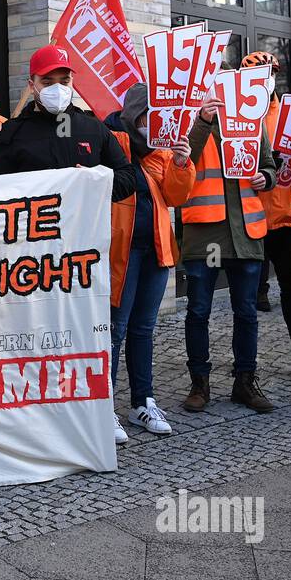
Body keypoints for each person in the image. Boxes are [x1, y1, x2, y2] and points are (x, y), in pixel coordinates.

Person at [179, 69, 279, 414]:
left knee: (247, 312)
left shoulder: (252, 123)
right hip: (205, 234)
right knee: (198, 311)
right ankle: (199, 384)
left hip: (247, 236)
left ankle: (245, 382)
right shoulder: (189, 120)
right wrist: (203, 121)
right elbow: (181, 166)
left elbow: (271, 167)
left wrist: (266, 177)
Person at [101, 83, 195, 441]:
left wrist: (183, 162)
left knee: (143, 329)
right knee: (114, 329)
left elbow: (176, 196)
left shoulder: (163, 149)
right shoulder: (109, 138)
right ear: (135, 113)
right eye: (149, 116)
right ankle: (103, 406)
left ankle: (143, 401)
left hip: (156, 250)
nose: (154, 123)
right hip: (119, 254)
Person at [244, 51, 291, 379]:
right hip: (247, 216)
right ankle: (244, 363)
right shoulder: (238, 114)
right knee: (246, 296)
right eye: (259, 72)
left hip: (286, 214)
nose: (266, 77)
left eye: (270, 72)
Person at [0, 45, 138, 203]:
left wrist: (98, 181)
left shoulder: (94, 128)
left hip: (85, 226)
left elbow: (128, 177)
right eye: (48, 82)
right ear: (32, 86)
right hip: (35, 224)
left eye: (64, 82)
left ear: (72, 82)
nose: (57, 89)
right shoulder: (12, 132)